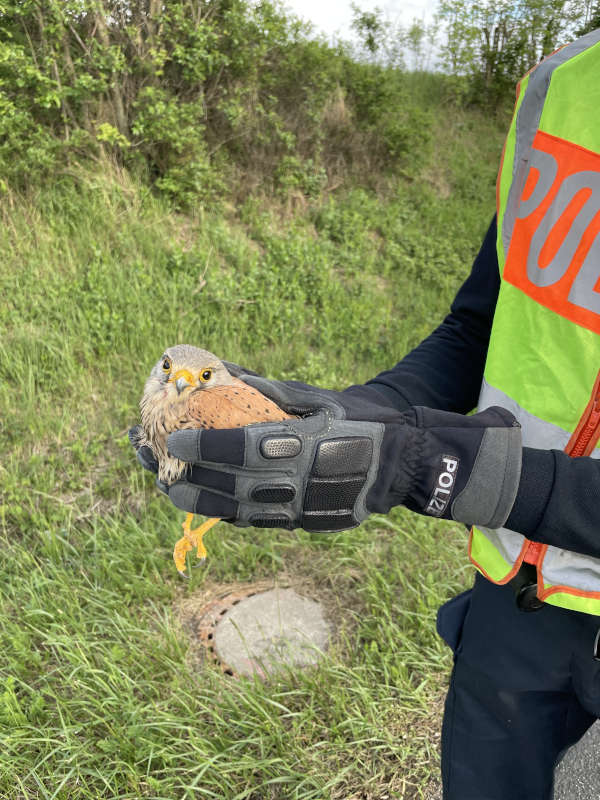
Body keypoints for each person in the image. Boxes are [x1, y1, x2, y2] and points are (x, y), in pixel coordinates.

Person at [131, 27, 600, 799]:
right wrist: (359, 415)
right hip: (515, 599)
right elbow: (482, 325)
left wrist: (431, 465)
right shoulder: (565, 85)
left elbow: (438, 459)